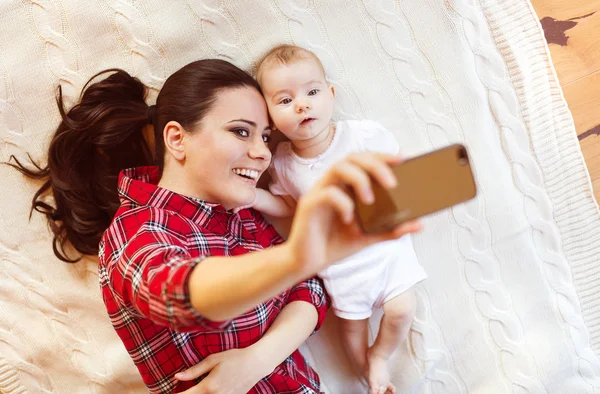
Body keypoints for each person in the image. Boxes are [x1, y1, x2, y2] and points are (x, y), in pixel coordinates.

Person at [9, 58, 422, 393]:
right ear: (176, 139)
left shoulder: (239, 214)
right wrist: (298, 256)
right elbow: (182, 294)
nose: (262, 153)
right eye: (241, 132)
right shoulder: (133, 232)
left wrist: (256, 361)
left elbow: (309, 291)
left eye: (265, 136)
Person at [240, 45, 428, 394]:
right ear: (269, 115)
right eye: (284, 100)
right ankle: (368, 371)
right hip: (342, 266)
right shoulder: (282, 161)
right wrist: (254, 197)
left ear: (331, 93)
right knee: (351, 331)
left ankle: (382, 356)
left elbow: (394, 173)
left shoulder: (361, 136)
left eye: (312, 92)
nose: (302, 105)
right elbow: (289, 205)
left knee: (402, 309)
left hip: (384, 250)